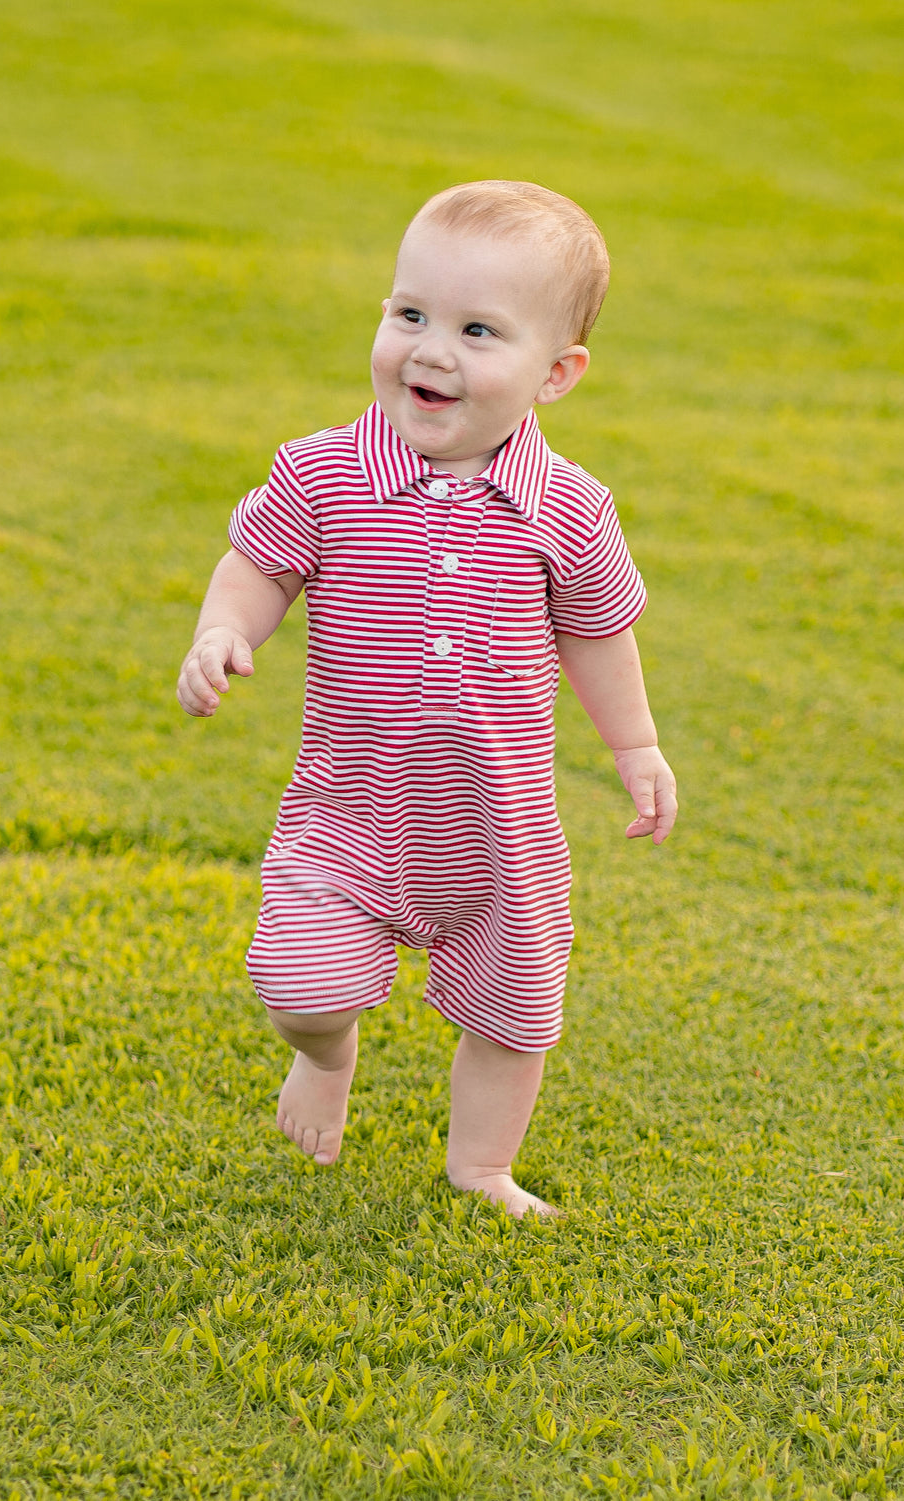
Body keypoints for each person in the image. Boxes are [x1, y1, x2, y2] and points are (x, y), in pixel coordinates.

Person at [176, 180, 678, 1218]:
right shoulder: (324, 473)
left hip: (498, 830)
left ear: (557, 373)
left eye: (476, 330)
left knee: (515, 1012)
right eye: (409, 314)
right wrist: (223, 630)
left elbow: (597, 632)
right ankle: (327, 1055)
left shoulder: (570, 508)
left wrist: (635, 747)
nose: (430, 351)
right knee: (299, 984)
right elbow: (259, 565)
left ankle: (481, 1164)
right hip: (349, 813)